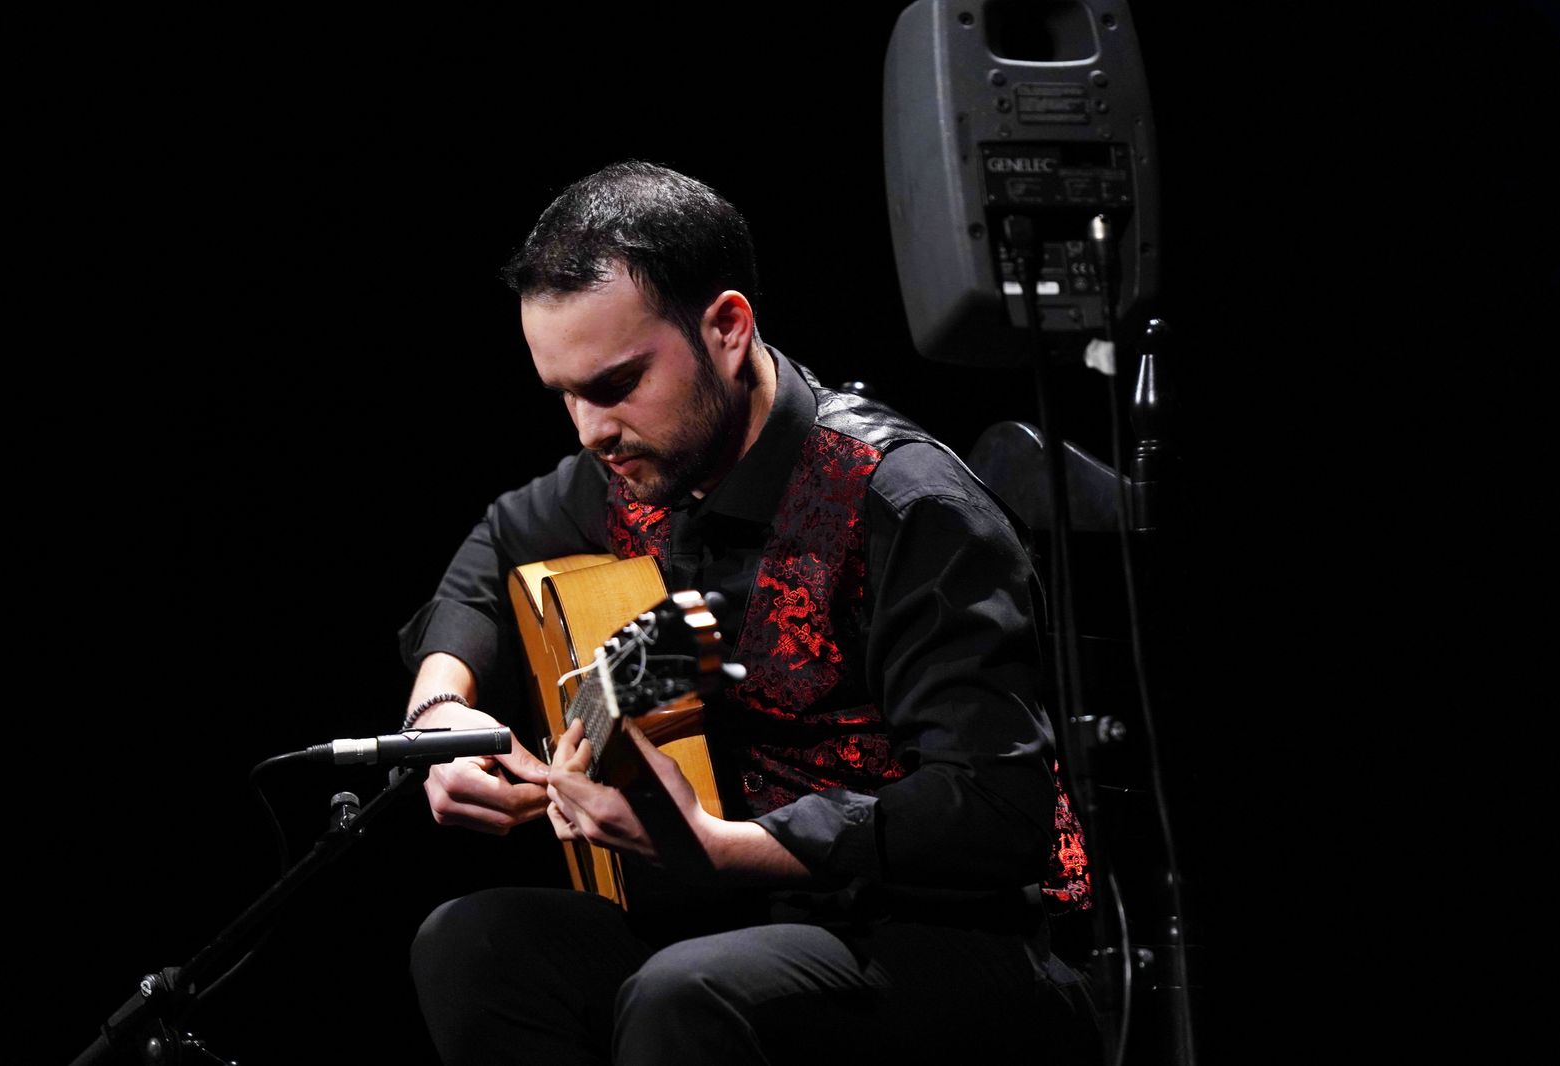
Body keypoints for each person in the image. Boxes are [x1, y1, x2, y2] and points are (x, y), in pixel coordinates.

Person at [400, 160, 1093, 1066]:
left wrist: (727, 849)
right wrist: (443, 716)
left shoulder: (908, 505)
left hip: (959, 938)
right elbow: (487, 560)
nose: (587, 430)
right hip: (745, 920)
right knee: (475, 945)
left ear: (726, 329)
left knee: (685, 991)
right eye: (563, 396)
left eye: (612, 387)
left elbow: (993, 811)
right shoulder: (639, 463)